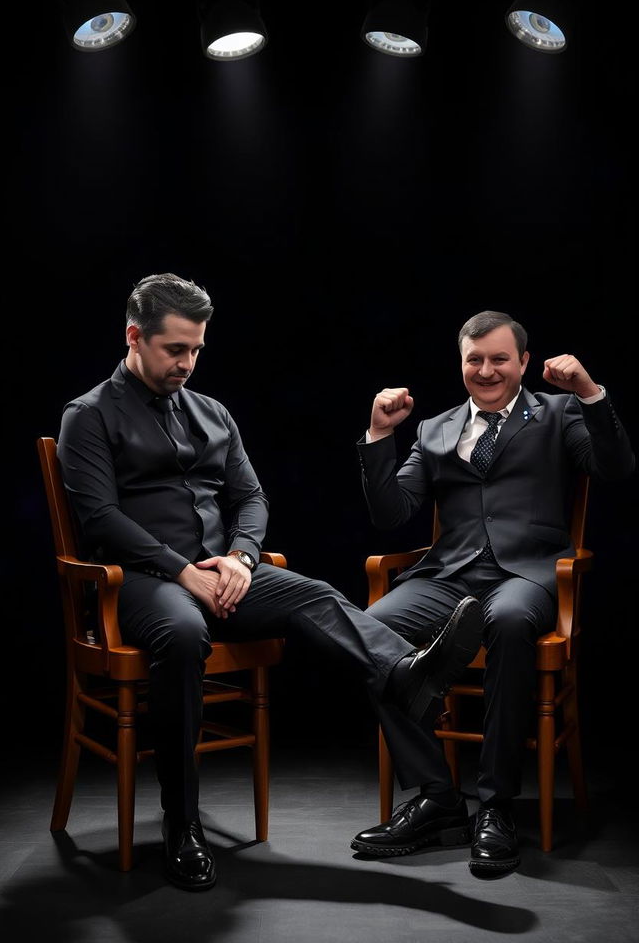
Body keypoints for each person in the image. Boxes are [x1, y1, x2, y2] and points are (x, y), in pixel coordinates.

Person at [56, 273, 485, 892]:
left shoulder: (212, 412)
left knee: (313, 593)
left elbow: (251, 498)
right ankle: (182, 826)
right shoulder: (89, 415)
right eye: (175, 349)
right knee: (180, 637)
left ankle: (405, 671)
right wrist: (183, 573)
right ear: (134, 337)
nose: (188, 362)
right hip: (141, 583)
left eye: (197, 349)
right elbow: (100, 518)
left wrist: (240, 560)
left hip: (222, 574)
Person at [351, 310, 634, 876]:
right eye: (474, 360)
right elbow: (391, 515)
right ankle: (437, 795)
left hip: (525, 577)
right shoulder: (435, 429)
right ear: (461, 364)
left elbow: (616, 467)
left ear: (524, 362)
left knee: (505, 621)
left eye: (499, 359)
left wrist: (589, 390)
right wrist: (381, 435)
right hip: (447, 576)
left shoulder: (559, 413)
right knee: (366, 629)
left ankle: (496, 806)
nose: (486, 370)